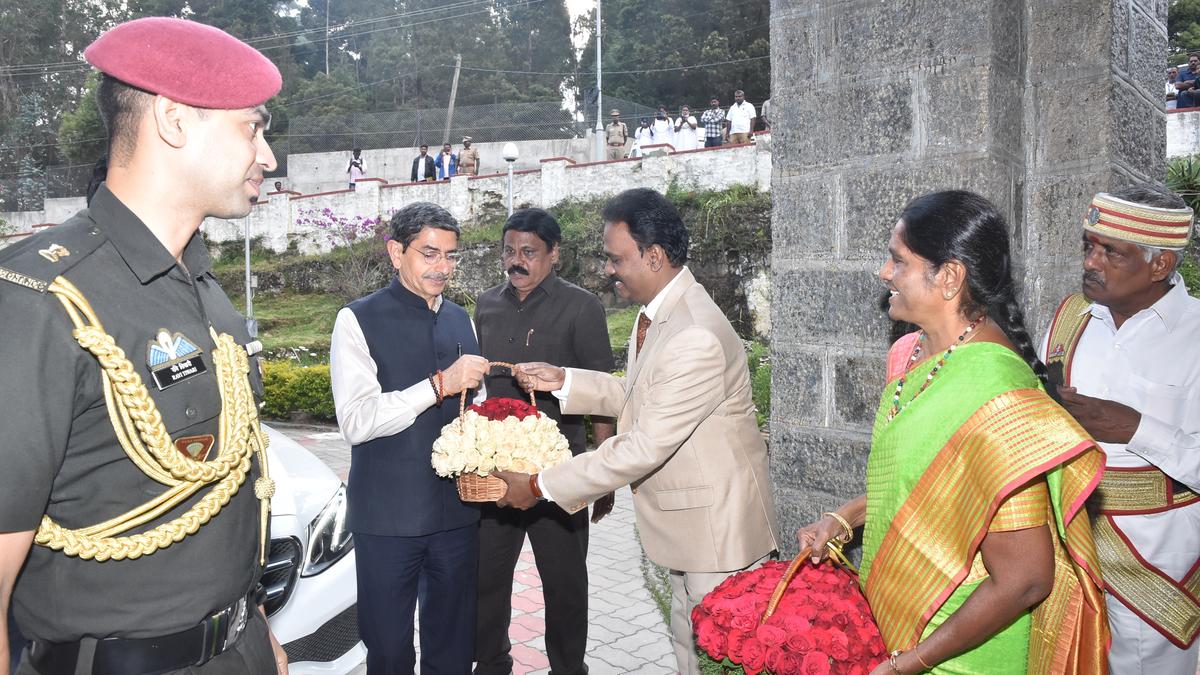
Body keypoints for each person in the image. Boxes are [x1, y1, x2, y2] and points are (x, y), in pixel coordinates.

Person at [0, 17, 289, 675]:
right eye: (253, 126)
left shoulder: (203, 283)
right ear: (175, 120)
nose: (267, 156)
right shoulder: (39, 301)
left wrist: (258, 632)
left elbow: (231, 482)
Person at [797, 190, 1109, 675]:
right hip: (900, 634)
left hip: (959, 653)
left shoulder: (998, 394)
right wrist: (846, 517)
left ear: (949, 277)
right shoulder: (909, 356)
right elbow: (927, 487)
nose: (884, 273)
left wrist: (910, 663)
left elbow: (1026, 578)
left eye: (898, 261)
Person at [493, 188, 780, 674]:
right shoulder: (662, 311)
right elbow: (644, 390)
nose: (608, 269)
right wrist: (567, 380)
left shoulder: (694, 333)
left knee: (712, 658)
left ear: (654, 256)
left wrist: (540, 485)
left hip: (717, 537)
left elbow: (645, 444)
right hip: (695, 532)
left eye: (614, 258)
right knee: (690, 650)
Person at [1039, 185, 1200, 674]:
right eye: (1089, 245)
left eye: (1112, 252)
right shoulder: (1070, 319)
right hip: (1067, 547)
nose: (1092, 262)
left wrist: (1135, 428)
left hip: (1156, 564)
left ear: (1160, 265)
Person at [330, 201, 489, 674]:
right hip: (387, 519)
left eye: (451, 255)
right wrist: (438, 385)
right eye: (429, 253)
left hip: (458, 515)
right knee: (389, 651)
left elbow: (473, 406)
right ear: (396, 252)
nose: (443, 267)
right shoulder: (356, 319)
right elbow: (356, 421)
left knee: (455, 650)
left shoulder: (462, 318)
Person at [473, 208, 617, 675]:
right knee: (486, 579)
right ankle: (492, 665)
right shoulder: (486, 304)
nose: (517, 261)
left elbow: (602, 393)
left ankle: (567, 669)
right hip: (497, 472)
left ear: (554, 254)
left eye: (529, 252)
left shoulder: (581, 307)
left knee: (565, 585)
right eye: (509, 251)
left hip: (562, 472)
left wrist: (603, 474)